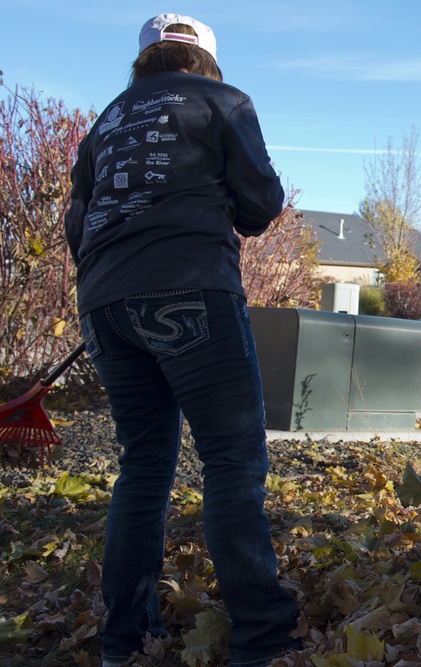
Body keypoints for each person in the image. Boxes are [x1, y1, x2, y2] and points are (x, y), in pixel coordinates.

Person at [65, 14, 299, 667]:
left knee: (141, 465)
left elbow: (77, 225)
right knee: (230, 459)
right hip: (190, 286)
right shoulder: (224, 102)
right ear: (207, 62)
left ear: (146, 61)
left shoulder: (106, 121)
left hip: (106, 301)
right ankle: (261, 637)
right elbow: (260, 203)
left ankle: (125, 641)